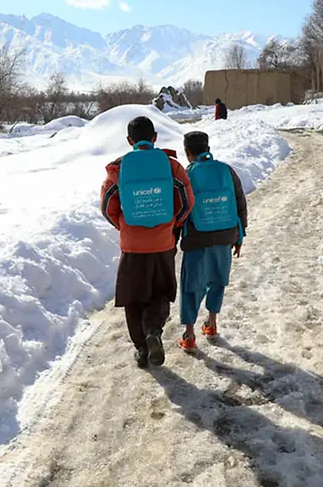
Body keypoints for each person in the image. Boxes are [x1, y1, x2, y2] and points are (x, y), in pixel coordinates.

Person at [101, 116, 194, 368]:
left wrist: (125, 227)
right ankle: (154, 329)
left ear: (130, 141)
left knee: (133, 297)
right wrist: (172, 225)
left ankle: (142, 349)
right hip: (163, 243)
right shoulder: (171, 166)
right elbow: (186, 202)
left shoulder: (118, 169)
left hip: (132, 246)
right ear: (154, 138)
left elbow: (108, 206)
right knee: (161, 290)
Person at [177, 131, 247, 351]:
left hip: (197, 239)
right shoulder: (226, 171)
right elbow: (239, 203)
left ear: (187, 151)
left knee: (191, 286)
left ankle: (189, 336)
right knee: (218, 280)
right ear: (207, 147)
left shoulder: (187, 174)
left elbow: (181, 208)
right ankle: (212, 324)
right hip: (225, 237)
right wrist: (240, 234)